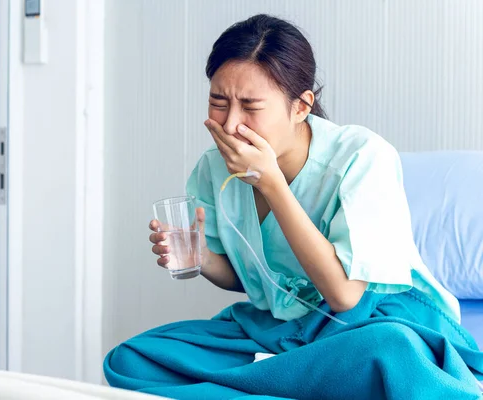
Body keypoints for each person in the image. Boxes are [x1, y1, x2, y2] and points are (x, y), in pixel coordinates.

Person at [104, 14, 483, 399]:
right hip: (280, 328)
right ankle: (290, 380)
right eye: (218, 102)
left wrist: (272, 186)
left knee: (391, 353)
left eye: (251, 106)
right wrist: (202, 257)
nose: (231, 123)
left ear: (302, 106)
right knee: (132, 358)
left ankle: (271, 380)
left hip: (367, 322)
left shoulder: (362, 156)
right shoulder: (213, 169)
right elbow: (247, 278)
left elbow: (345, 296)